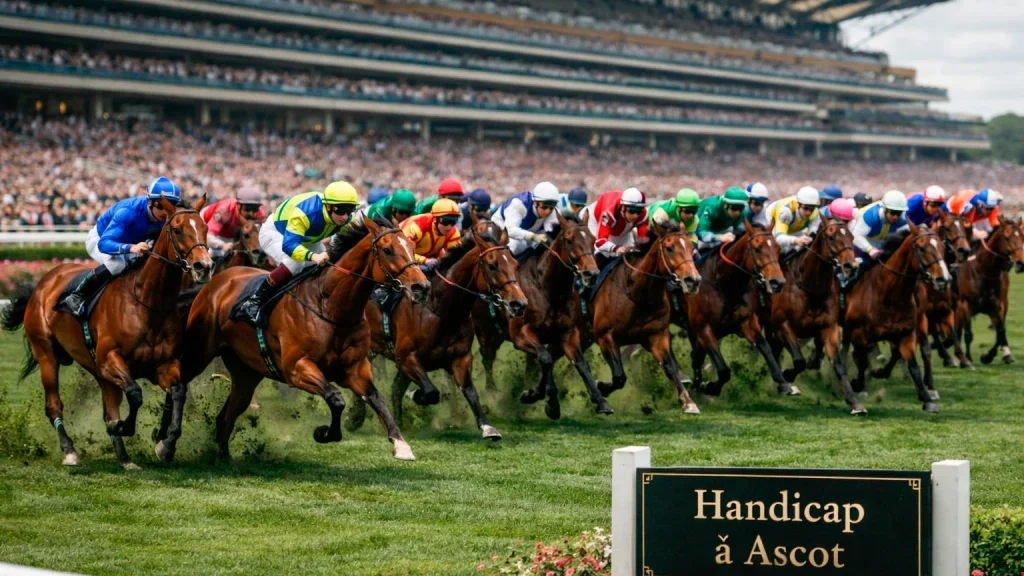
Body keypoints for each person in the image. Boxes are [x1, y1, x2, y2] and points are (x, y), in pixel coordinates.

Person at [60, 177, 182, 319]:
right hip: (101, 239)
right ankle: (77, 295)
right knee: (117, 264)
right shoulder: (128, 212)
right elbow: (104, 244)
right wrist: (130, 248)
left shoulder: (165, 218)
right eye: (161, 206)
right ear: (150, 202)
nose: (165, 212)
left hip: (133, 242)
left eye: (170, 206)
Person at [241, 181, 360, 323]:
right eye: (340, 210)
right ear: (328, 206)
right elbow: (289, 245)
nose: (345, 216)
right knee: (294, 263)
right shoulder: (306, 212)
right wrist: (313, 256)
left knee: (328, 263)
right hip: (277, 233)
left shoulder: (346, 219)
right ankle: (255, 301)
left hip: (305, 239)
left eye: (350, 210)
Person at [491, 181, 561, 257]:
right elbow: (510, 230)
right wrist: (532, 237)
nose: (548, 211)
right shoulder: (519, 204)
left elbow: (550, 234)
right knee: (518, 245)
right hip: (502, 225)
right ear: (535, 203)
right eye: (544, 206)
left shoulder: (554, 212)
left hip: (528, 230)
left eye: (552, 206)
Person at [585, 187, 648, 268]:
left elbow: (643, 241)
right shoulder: (609, 214)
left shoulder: (643, 214)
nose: (635, 215)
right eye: (632, 211)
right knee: (603, 256)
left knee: (632, 257)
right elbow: (599, 242)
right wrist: (615, 248)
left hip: (619, 225)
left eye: (639, 211)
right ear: (623, 208)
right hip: (597, 220)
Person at [401, 198, 463, 270]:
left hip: (426, 260)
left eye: (453, 221)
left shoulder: (454, 232)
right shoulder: (417, 226)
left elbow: (453, 258)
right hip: (401, 257)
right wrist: (424, 260)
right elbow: (403, 253)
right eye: (446, 221)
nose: (449, 227)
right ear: (435, 219)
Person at [200, 185, 265, 253]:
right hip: (208, 226)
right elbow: (208, 236)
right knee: (214, 254)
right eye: (247, 209)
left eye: (255, 209)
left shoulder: (260, 212)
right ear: (238, 205)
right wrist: (222, 245)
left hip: (231, 232)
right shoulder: (224, 211)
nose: (251, 214)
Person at [851, 190, 909, 260]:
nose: (896, 217)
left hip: (879, 239)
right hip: (861, 237)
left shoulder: (902, 217)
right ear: (885, 209)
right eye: (893, 212)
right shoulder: (871, 215)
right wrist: (870, 250)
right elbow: (856, 237)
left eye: (899, 213)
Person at [767, 186, 821, 254]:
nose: (809, 213)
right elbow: (778, 238)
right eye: (806, 208)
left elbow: (811, 235)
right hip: (773, 221)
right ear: (798, 204)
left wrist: (807, 239)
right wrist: (795, 240)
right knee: (781, 248)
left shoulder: (815, 213)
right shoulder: (786, 212)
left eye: (812, 209)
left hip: (793, 227)